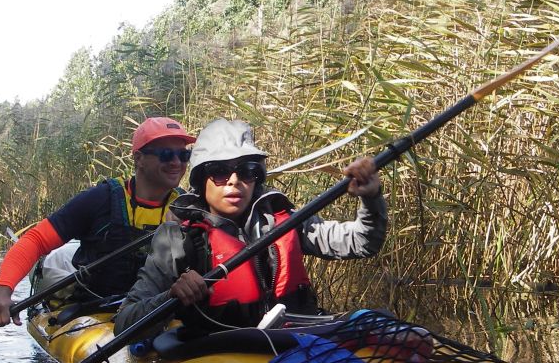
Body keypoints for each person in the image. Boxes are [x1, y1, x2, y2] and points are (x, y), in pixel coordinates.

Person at [114, 117, 387, 338]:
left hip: (297, 340)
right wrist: (171, 296)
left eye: (247, 171)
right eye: (220, 171)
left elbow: (363, 242)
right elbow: (125, 322)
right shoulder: (177, 238)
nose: (234, 181)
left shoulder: (284, 220)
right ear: (200, 179)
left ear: (257, 177)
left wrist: (371, 198)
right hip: (227, 359)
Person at [0, 117, 196, 330]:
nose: (177, 162)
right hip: (94, 311)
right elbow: (35, 240)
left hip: (152, 312)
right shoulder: (99, 199)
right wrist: (1, 292)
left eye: (183, 154)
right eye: (166, 154)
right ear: (139, 158)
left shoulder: (189, 207)